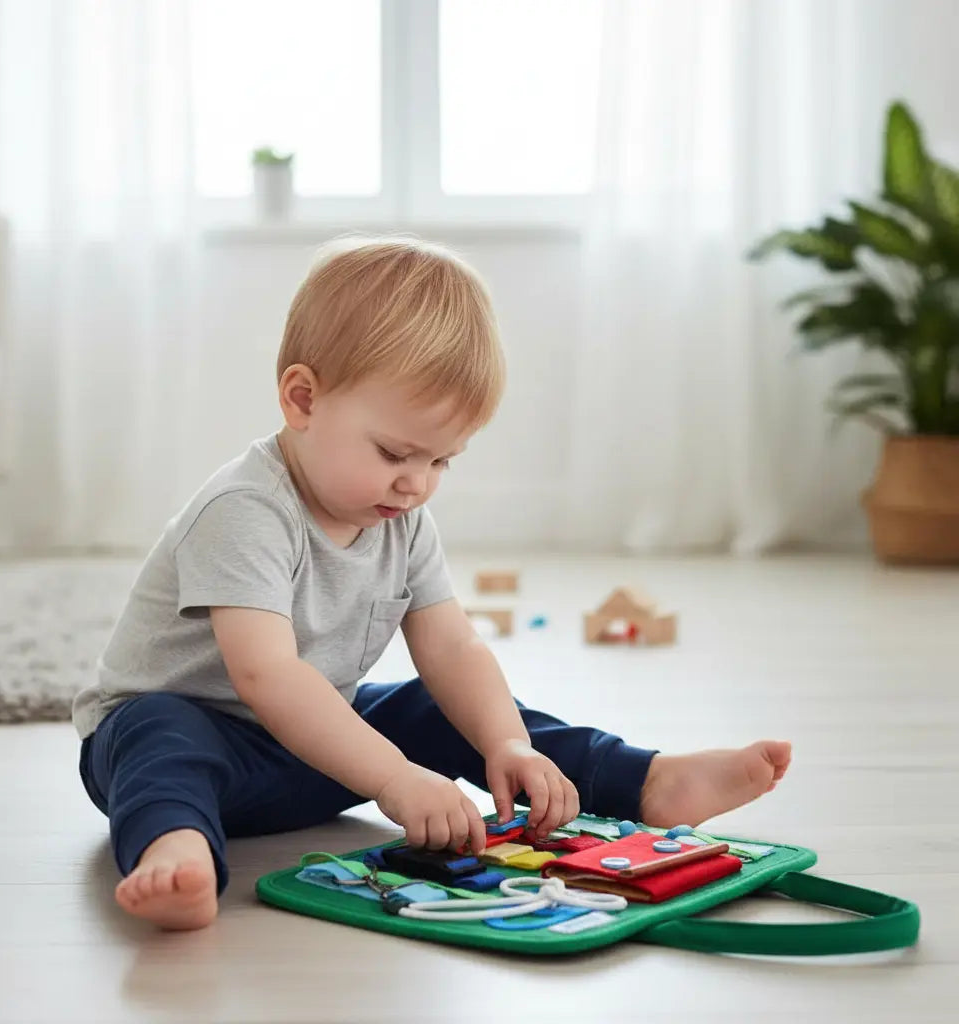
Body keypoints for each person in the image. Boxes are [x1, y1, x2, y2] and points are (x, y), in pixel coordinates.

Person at [72, 237, 791, 930]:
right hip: (197, 746)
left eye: (442, 461)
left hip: (319, 747)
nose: (416, 484)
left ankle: (646, 781)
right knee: (159, 731)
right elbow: (267, 677)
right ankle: (177, 851)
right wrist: (395, 779)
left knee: (434, 706)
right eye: (395, 453)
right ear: (303, 399)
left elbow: (453, 649)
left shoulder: (403, 520)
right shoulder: (245, 511)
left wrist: (505, 742)